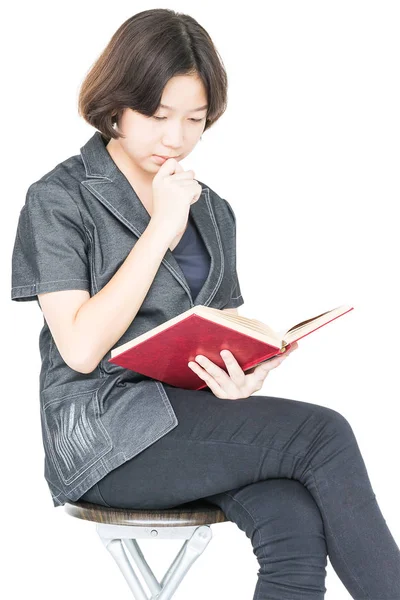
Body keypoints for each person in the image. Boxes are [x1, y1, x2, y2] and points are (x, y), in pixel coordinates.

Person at [10, 9, 400, 600]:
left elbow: (208, 333)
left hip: (188, 424)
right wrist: (160, 227)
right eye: (157, 115)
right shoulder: (59, 198)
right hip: (102, 435)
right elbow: (82, 348)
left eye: (194, 119)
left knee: (292, 515)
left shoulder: (212, 209)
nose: (176, 138)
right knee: (324, 434)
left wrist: (241, 374)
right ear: (115, 104)